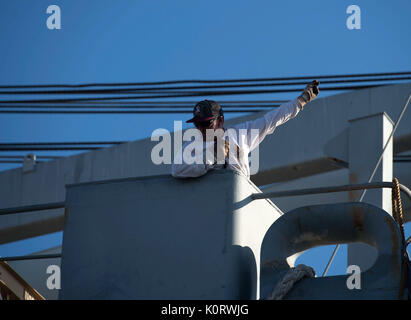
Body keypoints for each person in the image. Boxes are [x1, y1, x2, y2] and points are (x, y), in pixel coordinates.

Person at [171, 80, 320, 178]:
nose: (201, 129)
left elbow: (272, 119)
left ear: (220, 120)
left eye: (206, 124)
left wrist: (303, 99)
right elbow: (177, 170)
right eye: (197, 125)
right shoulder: (191, 147)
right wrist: (211, 155)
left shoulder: (240, 135)